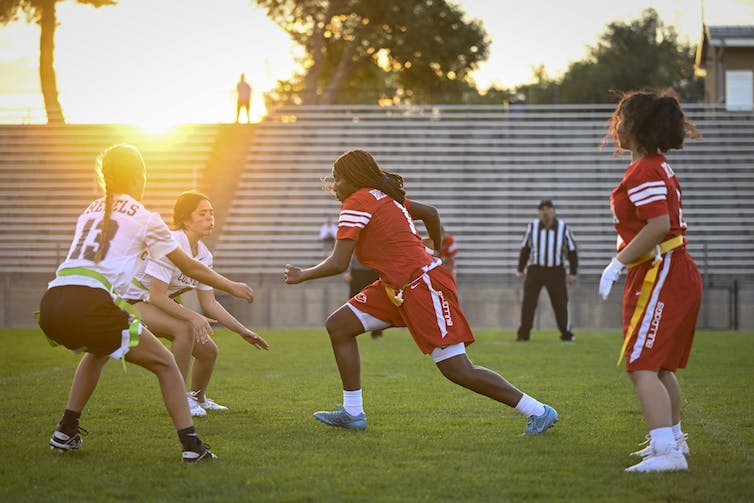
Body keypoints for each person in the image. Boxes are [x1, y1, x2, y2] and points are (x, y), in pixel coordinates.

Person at [283, 149, 558, 434]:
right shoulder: (384, 197)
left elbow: (340, 263)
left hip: (421, 286)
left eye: (338, 179)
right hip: (399, 284)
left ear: (353, 178)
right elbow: (430, 213)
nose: (334, 186)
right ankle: (353, 412)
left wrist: (304, 274)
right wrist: (434, 249)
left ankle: (538, 410)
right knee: (339, 326)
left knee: (457, 369)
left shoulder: (356, 202)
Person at [38, 144, 255, 463]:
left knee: (98, 352)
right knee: (166, 364)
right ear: (140, 177)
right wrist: (232, 286)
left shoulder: (91, 209)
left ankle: (66, 430)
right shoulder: (145, 218)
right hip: (90, 304)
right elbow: (190, 267)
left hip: (52, 303)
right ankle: (192, 446)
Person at [599, 90, 702, 473]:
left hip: (663, 269)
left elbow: (658, 225)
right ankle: (672, 440)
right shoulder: (653, 166)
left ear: (637, 125)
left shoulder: (644, 170)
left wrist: (617, 262)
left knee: (642, 365)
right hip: (670, 268)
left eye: (622, 119)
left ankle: (667, 453)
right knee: (659, 367)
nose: (616, 126)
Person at [118, 190, 269, 416]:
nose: (210, 218)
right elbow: (156, 295)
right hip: (132, 302)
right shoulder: (170, 243)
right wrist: (192, 316)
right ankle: (179, 400)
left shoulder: (205, 255)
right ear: (185, 219)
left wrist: (243, 331)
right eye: (202, 214)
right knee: (185, 328)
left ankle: (197, 398)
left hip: (156, 303)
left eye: (211, 213)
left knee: (208, 351)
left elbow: (209, 303)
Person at [515, 199, 578, 342]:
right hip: (535, 270)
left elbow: (572, 251)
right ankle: (523, 334)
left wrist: (573, 272)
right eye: (542, 209)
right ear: (539, 212)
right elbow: (525, 249)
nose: (545, 212)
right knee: (528, 302)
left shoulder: (563, 227)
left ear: (553, 211)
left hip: (555, 271)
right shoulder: (532, 227)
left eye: (548, 208)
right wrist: (520, 269)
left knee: (560, 303)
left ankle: (566, 333)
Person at [343, 255, 382, 339]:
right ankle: (351, 330)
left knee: (376, 301)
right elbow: (348, 252)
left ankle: (377, 332)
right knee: (353, 301)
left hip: (373, 269)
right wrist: (347, 272)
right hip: (357, 271)